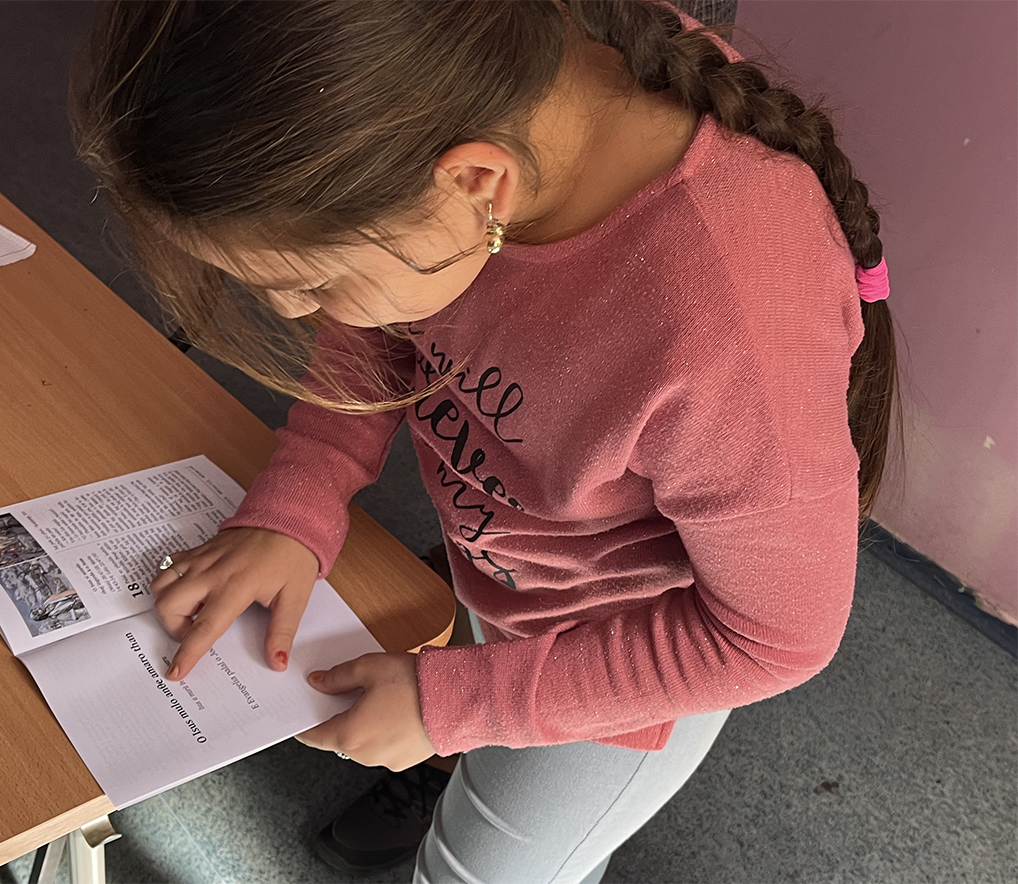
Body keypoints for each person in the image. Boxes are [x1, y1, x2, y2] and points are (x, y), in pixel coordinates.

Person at [68, 1, 897, 881]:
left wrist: (452, 707)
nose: (298, 313)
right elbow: (382, 321)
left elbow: (772, 638)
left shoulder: (725, 323)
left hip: (627, 670)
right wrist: (297, 500)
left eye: (312, 281)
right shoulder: (464, 120)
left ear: (477, 186)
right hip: (505, 570)